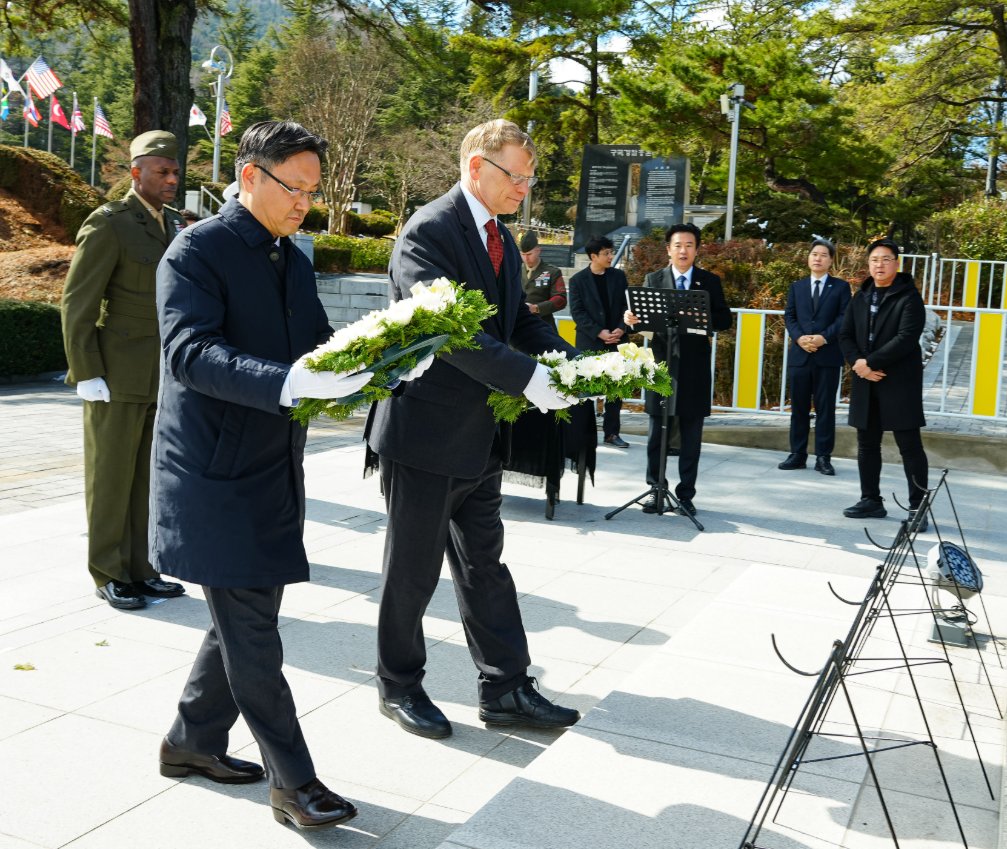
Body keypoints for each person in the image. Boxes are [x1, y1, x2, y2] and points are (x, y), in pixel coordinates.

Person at [151, 121, 392, 831]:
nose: (305, 204)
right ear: (251, 175)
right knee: (253, 630)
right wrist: (289, 382)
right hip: (212, 471)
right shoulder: (196, 251)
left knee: (242, 617)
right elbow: (190, 353)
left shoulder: (292, 257)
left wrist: (381, 360)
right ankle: (294, 783)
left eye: (314, 192)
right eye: (296, 189)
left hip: (271, 462)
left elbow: (317, 344)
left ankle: (191, 742)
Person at [365, 118, 582, 741]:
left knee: (484, 564)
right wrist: (527, 378)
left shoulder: (500, 238)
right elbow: (448, 331)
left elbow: (518, 322)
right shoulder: (428, 230)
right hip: (424, 434)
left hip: (479, 435)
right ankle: (399, 685)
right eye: (517, 176)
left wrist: (573, 365)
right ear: (477, 167)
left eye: (529, 179)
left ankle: (505, 686)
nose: (524, 189)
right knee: (412, 572)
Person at [61, 130, 188, 610]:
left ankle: (143, 568)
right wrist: (86, 371)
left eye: (175, 172)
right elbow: (78, 302)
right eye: (162, 171)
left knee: (147, 478)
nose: (172, 179)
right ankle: (109, 572)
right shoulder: (109, 223)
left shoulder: (170, 224)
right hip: (115, 374)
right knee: (111, 477)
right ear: (136, 172)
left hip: (160, 373)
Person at [625, 223, 733, 516]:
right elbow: (642, 321)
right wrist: (631, 320)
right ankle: (655, 490)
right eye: (677, 245)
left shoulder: (708, 281)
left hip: (694, 368)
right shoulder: (654, 279)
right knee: (656, 433)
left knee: (691, 435)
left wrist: (699, 315)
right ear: (668, 250)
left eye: (689, 245)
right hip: (661, 366)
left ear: (697, 250)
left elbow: (725, 320)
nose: (683, 250)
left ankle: (686, 495)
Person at [838, 237, 928, 526]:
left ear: (896, 264)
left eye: (886, 259)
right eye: (874, 260)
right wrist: (858, 364)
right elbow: (845, 334)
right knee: (867, 443)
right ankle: (871, 500)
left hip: (898, 381)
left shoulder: (909, 297)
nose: (880, 265)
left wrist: (870, 363)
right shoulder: (861, 296)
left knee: (909, 445)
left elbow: (906, 338)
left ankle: (918, 508)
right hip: (866, 380)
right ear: (868, 264)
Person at [778, 238, 852, 476]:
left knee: (825, 409)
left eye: (823, 255)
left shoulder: (840, 287)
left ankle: (823, 457)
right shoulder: (796, 287)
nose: (818, 258)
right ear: (808, 258)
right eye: (814, 254)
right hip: (800, 356)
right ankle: (797, 454)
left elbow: (844, 317)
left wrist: (823, 337)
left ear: (831, 261)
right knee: (799, 408)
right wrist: (800, 338)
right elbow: (790, 316)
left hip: (827, 356)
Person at [568, 235, 630, 448]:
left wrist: (621, 328)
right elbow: (578, 312)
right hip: (590, 341)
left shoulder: (619, 276)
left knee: (616, 389)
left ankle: (612, 433)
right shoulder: (577, 281)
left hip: (617, 340)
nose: (611, 256)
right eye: (606, 253)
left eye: (611, 252)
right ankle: (584, 434)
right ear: (593, 256)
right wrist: (599, 332)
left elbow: (627, 305)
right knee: (586, 389)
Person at [518, 230, 566, 331]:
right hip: (519, 326)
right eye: (523, 254)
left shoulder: (553, 272)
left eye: (529, 254)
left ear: (538, 250)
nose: (526, 258)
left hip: (543, 325)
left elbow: (561, 299)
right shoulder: (515, 271)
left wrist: (536, 308)